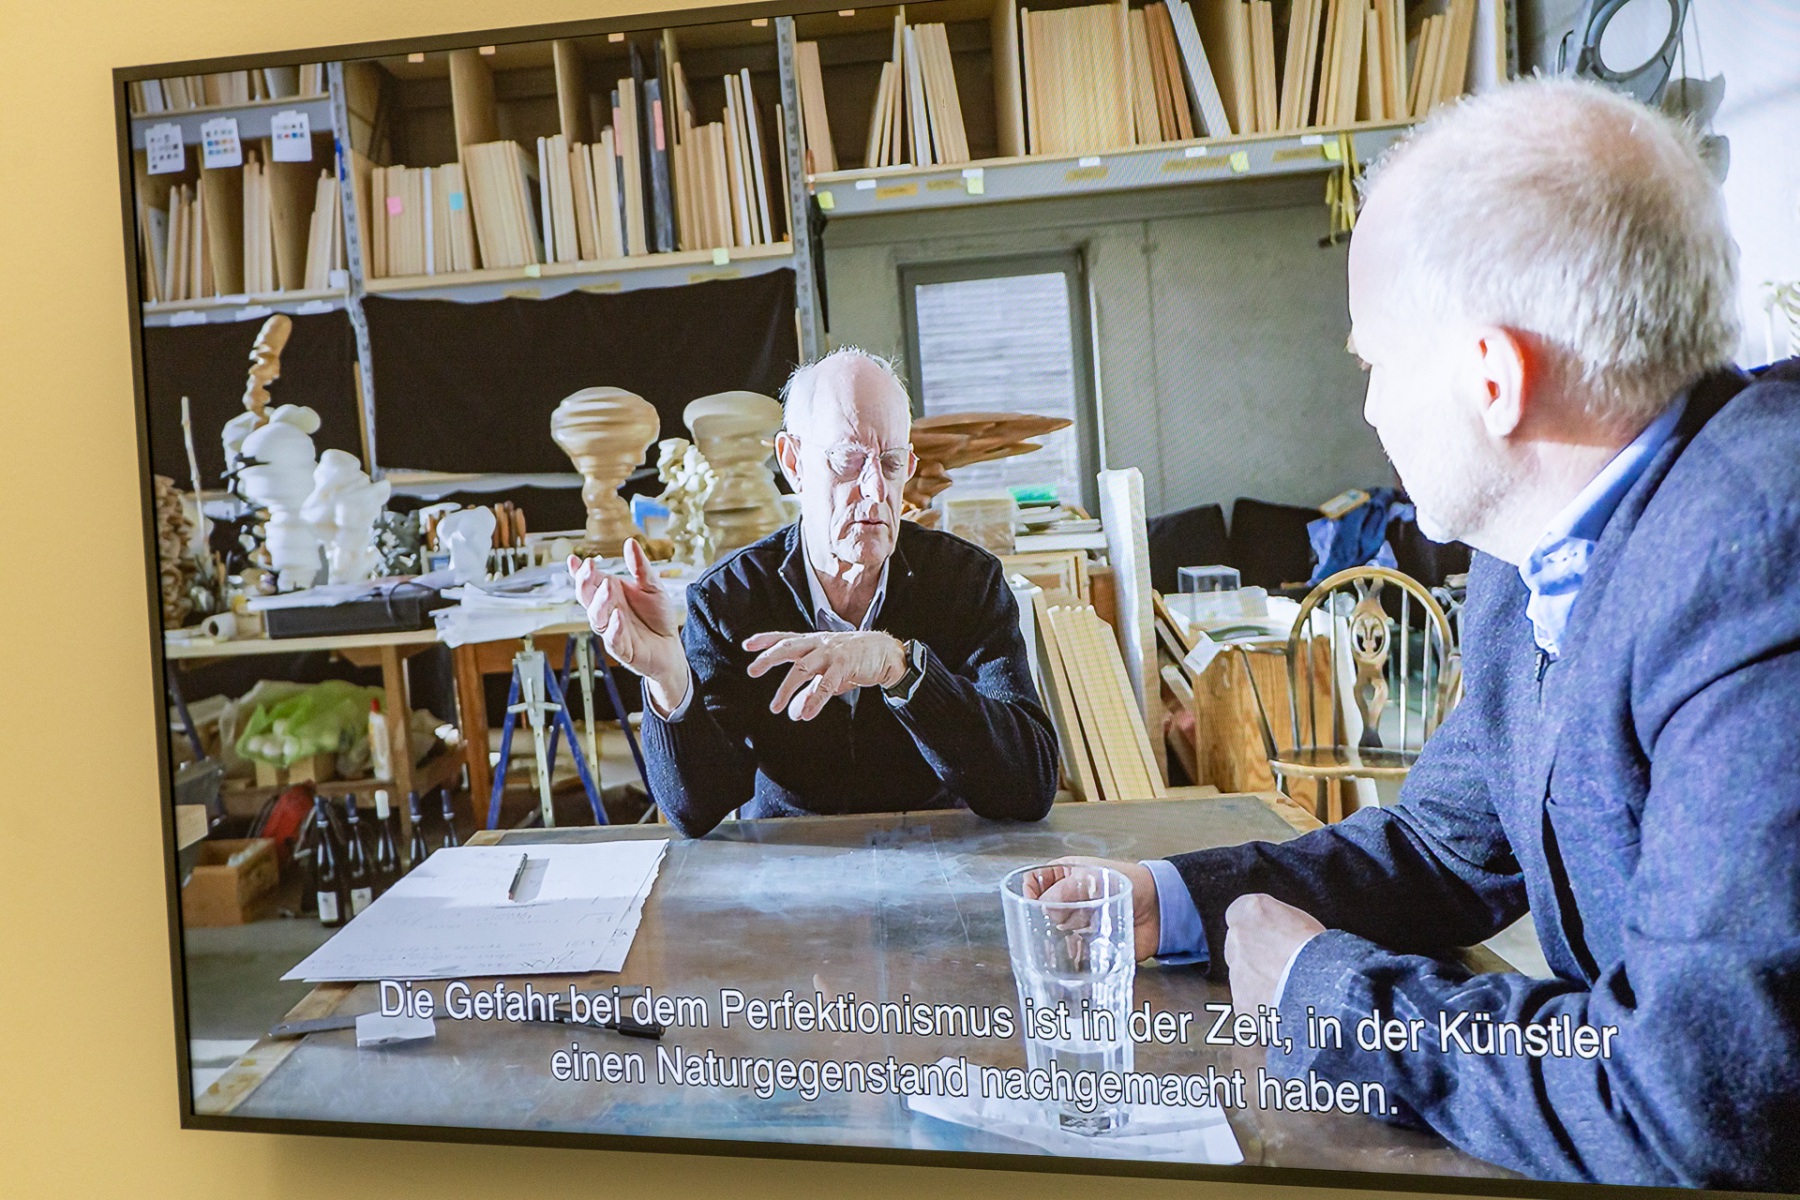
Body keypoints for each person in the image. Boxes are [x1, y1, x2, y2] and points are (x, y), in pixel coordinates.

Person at [1033, 79, 1800, 1190]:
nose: (1369, 409)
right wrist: (1174, 898)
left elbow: (1696, 1102)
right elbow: (1447, 849)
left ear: (1493, 378)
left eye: (1374, 363)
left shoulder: (1760, 571)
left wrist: (1333, 998)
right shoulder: (1525, 554)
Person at [570, 348, 1059, 838]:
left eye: (891, 463)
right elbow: (696, 810)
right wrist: (668, 678)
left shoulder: (966, 582)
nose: (875, 490)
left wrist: (903, 668)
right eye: (848, 459)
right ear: (793, 462)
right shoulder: (730, 599)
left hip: (937, 851)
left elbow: (1030, 785)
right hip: (790, 858)